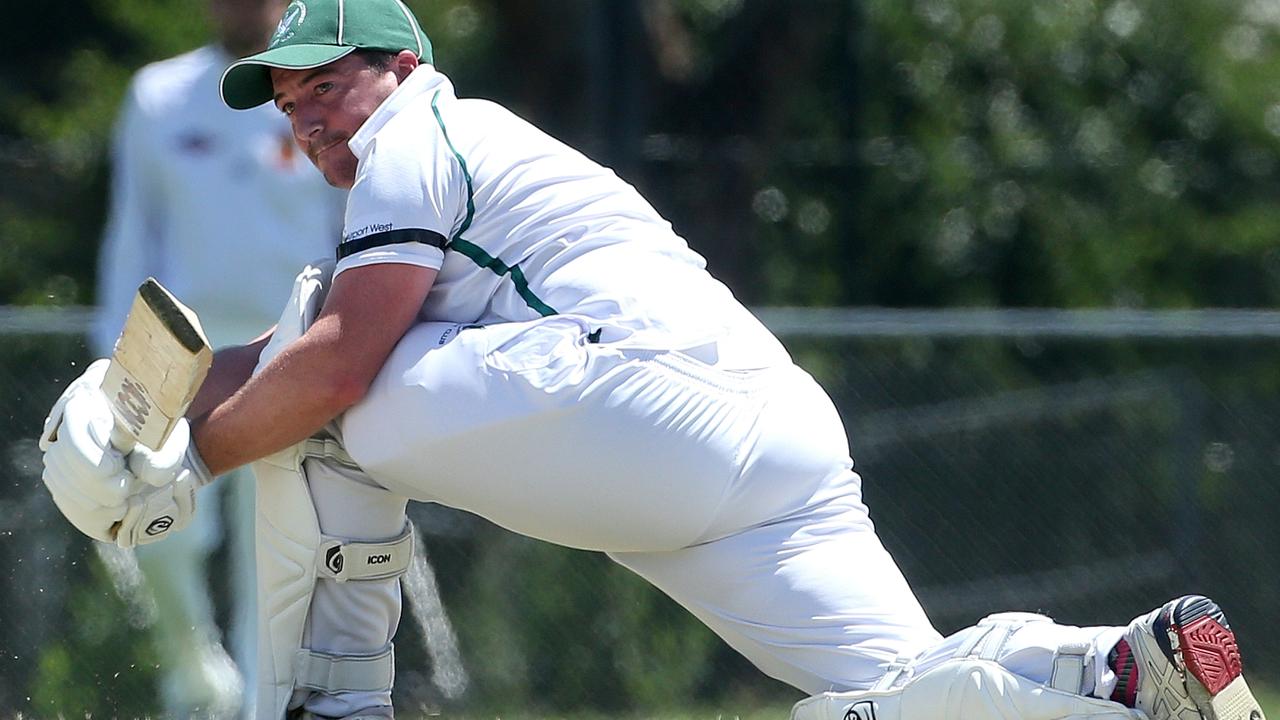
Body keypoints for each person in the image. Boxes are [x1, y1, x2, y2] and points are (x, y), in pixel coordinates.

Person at [41, 1, 1266, 719]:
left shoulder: (423, 128)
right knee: (898, 691)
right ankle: (1118, 665)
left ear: (400, 65)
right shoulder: (438, 156)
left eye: (327, 86)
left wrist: (180, 464)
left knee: (324, 409)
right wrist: (139, 390)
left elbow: (334, 363)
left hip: (639, 399)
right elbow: (292, 346)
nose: (305, 116)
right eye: (287, 100)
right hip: (765, 435)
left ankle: (335, 700)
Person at [92, 0, 345, 715]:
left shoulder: (320, 95)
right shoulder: (159, 94)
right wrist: (114, 356)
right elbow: (131, 233)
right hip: (179, 348)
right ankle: (194, 672)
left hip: (291, 347)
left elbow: (344, 227)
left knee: (277, 550)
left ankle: (263, 705)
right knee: (154, 523)